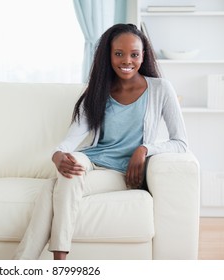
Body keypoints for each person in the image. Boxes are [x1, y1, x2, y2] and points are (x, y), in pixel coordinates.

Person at [13, 23, 188, 260]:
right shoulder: (99, 91)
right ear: (108, 55)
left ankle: (27, 264)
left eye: (134, 54)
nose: (127, 60)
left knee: (51, 188)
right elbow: (72, 138)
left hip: (122, 173)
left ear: (143, 56)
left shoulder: (161, 89)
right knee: (71, 165)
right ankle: (56, 263)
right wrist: (58, 155)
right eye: (119, 54)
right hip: (93, 161)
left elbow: (180, 143)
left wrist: (145, 148)